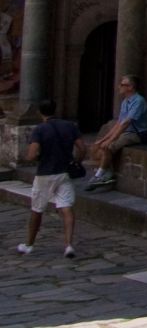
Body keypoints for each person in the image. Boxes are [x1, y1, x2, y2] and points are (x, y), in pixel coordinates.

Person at [17, 99, 79, 258]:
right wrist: (76, 161)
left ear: (40, 112)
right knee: (66, 207)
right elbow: (82, 147)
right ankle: (69, 245)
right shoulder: (69, 126)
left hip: (45, 173)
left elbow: (32, 154)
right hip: (64, 172)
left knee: (37, 209)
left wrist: (31, 157)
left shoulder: (40, 129)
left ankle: (29, 244)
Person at [81, 74, 147, 191]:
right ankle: (107, 172)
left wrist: (111, 140)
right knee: (101, 146)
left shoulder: (138, 101)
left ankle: (99, 175)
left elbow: (126, 123)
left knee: (110, 147)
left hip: (137, 133)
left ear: (130, 87)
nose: (119, 87)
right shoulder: (125, 102)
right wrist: (103, 139)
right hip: (126, 132)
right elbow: (119, 123)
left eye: (122, 84)